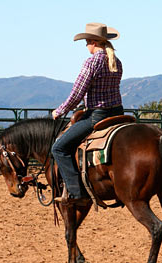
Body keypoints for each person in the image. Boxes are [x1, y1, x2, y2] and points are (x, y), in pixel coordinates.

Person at [52, 22, 124, 206]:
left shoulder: (92, 62)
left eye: (86, 42)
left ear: (93, 42)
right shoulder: (116, 61)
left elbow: (77, 93)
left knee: (58, 148)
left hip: (97, 115)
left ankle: (76, 193)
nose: (86, 45)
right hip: (117, 113)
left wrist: (60, 111)